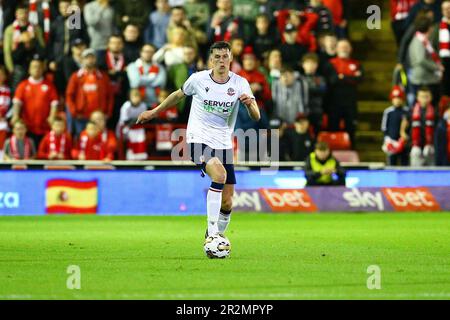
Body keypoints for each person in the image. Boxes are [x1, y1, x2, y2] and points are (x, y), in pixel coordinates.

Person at [136, 41, 260, 246]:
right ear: (211, 59)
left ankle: (215, 237)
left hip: (223, 142)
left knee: (228, 201)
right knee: (220, 175)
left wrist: (249, 105)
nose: (221, 60)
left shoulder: (239, 83)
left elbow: (256, 116)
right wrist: (154, 112)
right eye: (217, 57)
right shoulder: (198, 79)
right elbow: (178, 95)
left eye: (225, 56)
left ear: (231, 58)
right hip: (197, 139)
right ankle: (212, 234)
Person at [66, 48, 114, 137]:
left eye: (92, 57)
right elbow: (69, 96)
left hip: (98, 117)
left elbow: (110, 96)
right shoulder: (76, 76)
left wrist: (108, 113)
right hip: (81, 117)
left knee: (99, 141)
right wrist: (74, 112)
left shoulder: (103, 76)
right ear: (82, 60)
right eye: (87, 58)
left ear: (96, 59)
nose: (90, 60)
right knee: (81, 140)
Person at [11, 58, 59, 147]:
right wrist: (15, 115)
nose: (37, 69)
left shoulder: (49, 85)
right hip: (27, 127)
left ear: (43, 69)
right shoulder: (23, 85)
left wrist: (52, 116)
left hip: (44, 126)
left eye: (39, 67)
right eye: (34, 67)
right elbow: (17, 102)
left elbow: (54, 103)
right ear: (29, 70)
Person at [328, 39, 363, 146]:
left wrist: (342, 77)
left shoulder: (356, 63)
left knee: (351, 129)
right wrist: (351, 77)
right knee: (333, 129)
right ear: (336, 49)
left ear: (350, 49)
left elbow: (360, 79)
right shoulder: (331, 63)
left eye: (346, 47)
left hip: (351, 103)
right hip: (334, 102)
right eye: (342, 47)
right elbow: (332, 80)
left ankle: (351, 153)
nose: (344, 49)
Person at [381, 86, 410, 165]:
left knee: (405, 163)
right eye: (395, 98)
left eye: (399, 98)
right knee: (391, 164)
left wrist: (405, 138)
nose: (397, 100)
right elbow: (384, 127)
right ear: (392, 99)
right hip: (392, 142)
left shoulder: (407, 111)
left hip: (403, 143)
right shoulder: (388, 112)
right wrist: (387, 139)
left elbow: (409, 126)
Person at [409, 86, 436, 166]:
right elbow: (405, 129)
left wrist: (432, 145)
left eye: (426, 96)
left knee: (431, 174)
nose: (424, 99)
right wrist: (413, 145)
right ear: (417, 97)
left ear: (431, 97)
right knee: (415, 174)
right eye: (422, 96)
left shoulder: (435, 112)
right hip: (416, 148)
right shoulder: (411, 112)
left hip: (430, 149)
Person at [439, 0, 450, 95]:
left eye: (449, 8)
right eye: (445, 9)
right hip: (443, 64)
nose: (447, 10)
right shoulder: (437, 26)